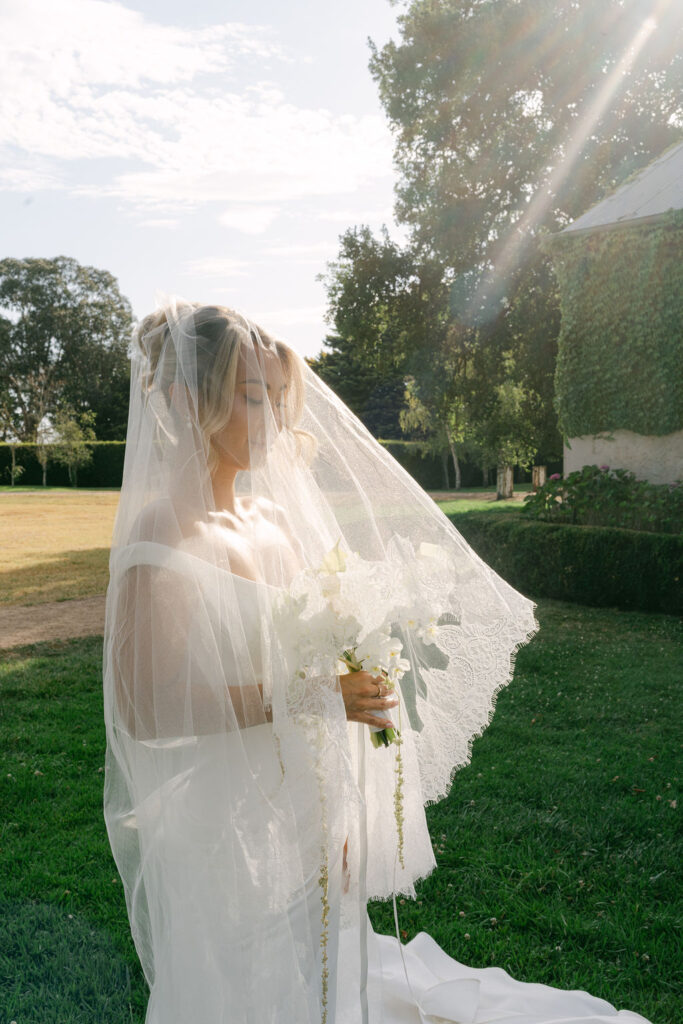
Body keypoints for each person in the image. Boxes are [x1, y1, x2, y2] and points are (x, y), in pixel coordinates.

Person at [103, 297, 652, 1024]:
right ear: (184, 398)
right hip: (223, 827)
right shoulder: (160, 540)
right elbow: (146, 709)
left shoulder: (271, 522)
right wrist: (301, 698)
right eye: (251, 397)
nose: (272, 418)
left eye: (277, 397)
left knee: (330, 975)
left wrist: (344, 790)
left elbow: (319, 655)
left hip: (303, 801)